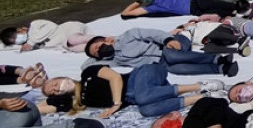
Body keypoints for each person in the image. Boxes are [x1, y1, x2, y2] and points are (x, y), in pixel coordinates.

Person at [41, 63, 221, 119]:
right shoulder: (78, 101)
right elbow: (41, 107)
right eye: (54, 92)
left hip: (142, 75)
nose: (57, 89)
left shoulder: (87, 73)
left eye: (55, 84)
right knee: (146, 110)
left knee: (143, 97)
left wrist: (116, 104)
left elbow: (115, 77)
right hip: (138, 97)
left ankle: (199, 85)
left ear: (61, 77)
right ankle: (201, 97)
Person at [85, 29, 237, 77]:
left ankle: (217, 58)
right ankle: (221, 68)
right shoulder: (114, 60)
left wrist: (168, 39)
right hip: (162, 62)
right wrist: (95, 55)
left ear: (105, 39)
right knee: (173, 68)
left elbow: (152, 34)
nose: (99, 50)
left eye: (98, 46)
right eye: (97, 53)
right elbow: (86, 66)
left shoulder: (128, 36)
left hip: (172, 43)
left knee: (172, 56)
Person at [0, 20, 89, 53]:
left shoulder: (35, 25)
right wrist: (20, 46)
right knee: (73, 47)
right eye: (14, 41)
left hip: (68, 29)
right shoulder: (30, 44)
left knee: (73, 40)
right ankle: (98, 46)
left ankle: (97, 39)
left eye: (15, 37)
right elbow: (0, 47)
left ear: (19, 29)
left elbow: (51, 26)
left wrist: (31, 42)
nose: (17, 40)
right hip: (64, 41)